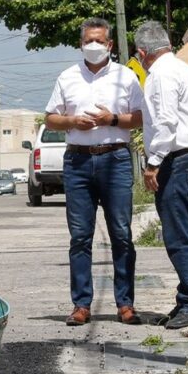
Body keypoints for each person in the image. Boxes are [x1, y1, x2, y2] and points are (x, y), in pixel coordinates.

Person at [44, 17, 144, 327]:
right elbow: (50, 119)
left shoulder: (126, 77)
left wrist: (111, 119)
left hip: (115, 159)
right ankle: (81, 305)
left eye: (100, 41)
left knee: (122, 234)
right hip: (78, 162)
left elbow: (140, 118)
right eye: (89, 41)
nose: (94, 46)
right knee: (80, 237)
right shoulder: (67, 77)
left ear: (110, 44)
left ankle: (125, 304)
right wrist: (73, 121)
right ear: (80, 44)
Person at [135, 21, 188, 330]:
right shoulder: (180, 69)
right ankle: (186, 299)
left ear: (142, 52)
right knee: (187, 234)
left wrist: (152, 164)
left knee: (180, 238)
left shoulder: (160, 76)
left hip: (177, 162)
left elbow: (166, 123)